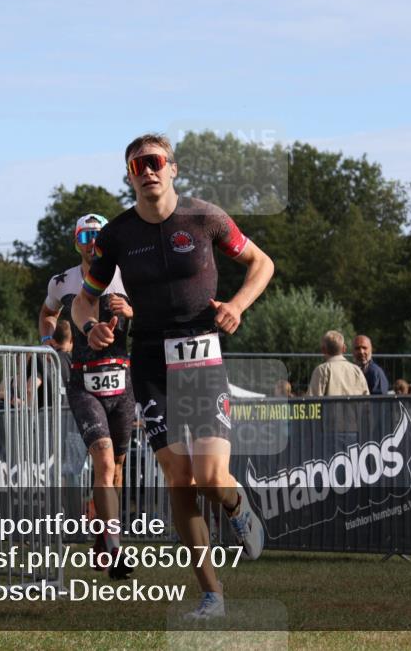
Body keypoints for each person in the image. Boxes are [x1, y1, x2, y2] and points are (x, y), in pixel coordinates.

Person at [72, 133, 274, 620]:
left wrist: (237, 306)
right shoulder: (117, 235)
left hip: (203, 357)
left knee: (209, 477)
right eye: (137, 165)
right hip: (151, 362)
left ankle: (237, 505)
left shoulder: (204, 217)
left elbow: (261, 263)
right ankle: (213, 594)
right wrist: (91, 326)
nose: (147, 171)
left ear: (172, 169)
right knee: (179, 481)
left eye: (155, 162)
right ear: (129, 175)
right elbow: (83, 299)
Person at [40, 213, 135, 578]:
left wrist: (132, 309)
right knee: (104, 461)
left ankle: (103, 537)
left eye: (98, 235)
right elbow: (49, 312)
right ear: (76, 242)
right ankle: (115, 547)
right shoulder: (63, 280)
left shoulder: (127, 273)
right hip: (83, 382)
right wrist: (49, 342)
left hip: (122, 382)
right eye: (85, 236)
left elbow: (155, 313)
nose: (92, 243)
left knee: (118, 470)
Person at [308, 331, 370, 397]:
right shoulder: (357, 370)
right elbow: (366, 399)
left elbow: (312, 401)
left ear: (323, 350)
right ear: (344, 348)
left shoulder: (322, 370)